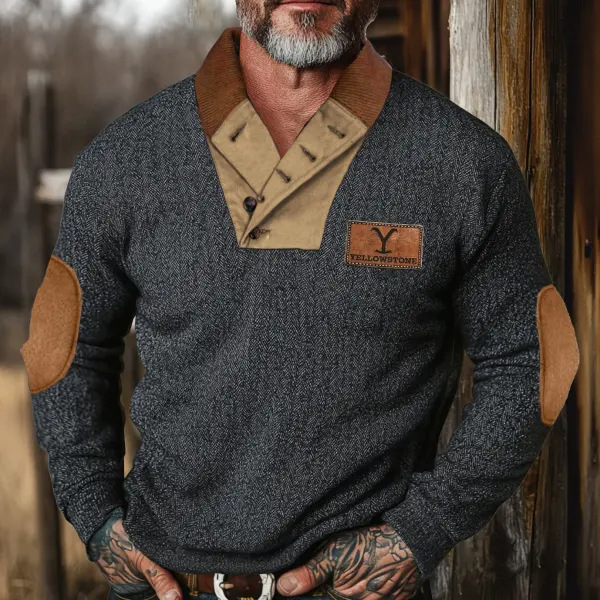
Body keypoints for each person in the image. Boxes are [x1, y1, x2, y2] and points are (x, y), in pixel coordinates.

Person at [19, 0, 580, 598]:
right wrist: (95, 514)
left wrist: (423, 528)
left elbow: (536, 359)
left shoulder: (462, 162)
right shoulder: (127, 158)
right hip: (165, 586)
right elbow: (64, 347)